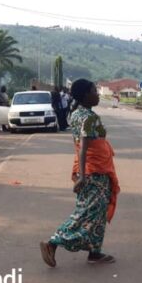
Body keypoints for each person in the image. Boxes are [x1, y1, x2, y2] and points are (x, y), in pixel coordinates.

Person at [40, 79, 120, 267]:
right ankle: (53, 243)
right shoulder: (88, 117)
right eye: (94, 91)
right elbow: (84, 147)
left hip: (93, 169)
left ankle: (94, 252)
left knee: (97, 213)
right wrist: (83, 176)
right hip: (94, 172)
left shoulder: (77, 114)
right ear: (85, 95)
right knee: (86, 212)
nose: (97, 94)